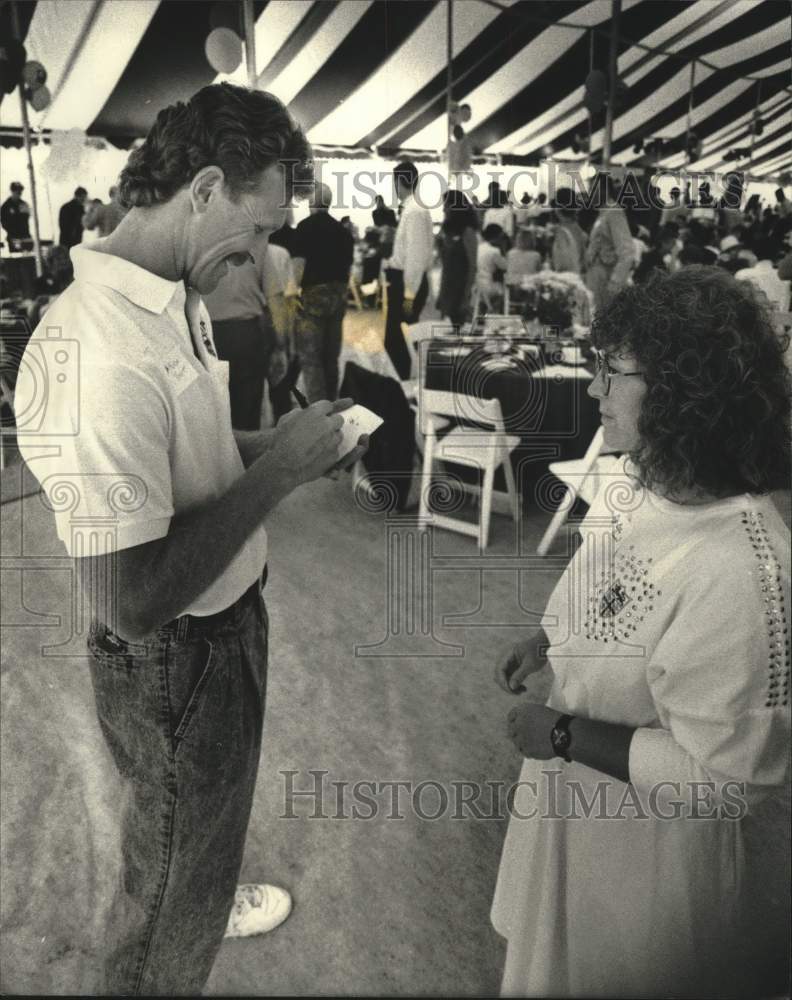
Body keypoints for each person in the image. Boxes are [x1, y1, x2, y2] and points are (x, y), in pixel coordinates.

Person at [14, 82, 368, 996]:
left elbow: (197, 452)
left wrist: (284, 447)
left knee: (188, 846)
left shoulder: (168, 292)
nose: (263, 255)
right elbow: (131, 604)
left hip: (218, 626)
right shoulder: (99, 351)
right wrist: (279, 472)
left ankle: (202, 875)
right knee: (165, 902)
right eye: (256, 231)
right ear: (205, 187)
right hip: (175, 654)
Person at [492, 265, 790, 998]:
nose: (594, 388)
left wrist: (563, 735)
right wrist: (547, 642)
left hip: (645, 843)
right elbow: (598, 575)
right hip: (572, 793)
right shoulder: (644, 473)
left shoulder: (740, 573)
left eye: (610, 371)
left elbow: (725, 780)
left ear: (686, 394)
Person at [202, 242, 294, 429]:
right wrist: (281, 345)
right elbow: (275, 300)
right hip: (246, 335)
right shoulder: (257, 247)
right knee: (247, 409)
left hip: (204, 335)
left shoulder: (199, 245)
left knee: (212, 412)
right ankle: (246, 455)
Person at [291, 181, 354, 402]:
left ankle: (319, 408)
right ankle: (334, 404)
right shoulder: (343, 232)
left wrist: (290, 297)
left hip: (313, 299)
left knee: (311, 359)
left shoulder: (305, 227)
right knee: (331, 357)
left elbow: (297, 269)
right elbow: (347, 269)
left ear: (311, 202)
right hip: (338, 299)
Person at [384, 160, 433, 378]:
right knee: (405, 337)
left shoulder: (414, 211)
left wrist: (409, 293)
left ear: (400, 182)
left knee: (395, 340)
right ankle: (417, 381)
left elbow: (415, 257)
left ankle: (408, 386)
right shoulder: (414, 209)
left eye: (394, 182)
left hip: (406, 282)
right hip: (404, 279)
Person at [584, 173, 634, 313]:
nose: (590, 195)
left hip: (606, 280)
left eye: (592, 190)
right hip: (597, 277)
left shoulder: (614, 212)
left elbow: (627, 251)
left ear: (604, 191)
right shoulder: (604, 212)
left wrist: (615, 282)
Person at [436, 189, 477, 326]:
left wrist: (466, 295)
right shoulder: (445, 231)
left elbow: (472, 266)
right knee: (445, 326)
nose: (443, 209)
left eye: (446, 205)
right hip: (447, 284)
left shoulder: (468, 232)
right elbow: (443, 261)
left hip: (460, 287)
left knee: (457, 326)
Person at [734, 237, 790, 311]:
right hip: (784, 321)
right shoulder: (787, 279)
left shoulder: (742, 274)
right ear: (777, 253)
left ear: (754, 253)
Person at [550, 188, 586, 274]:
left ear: (558, 209)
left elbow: (562, 266)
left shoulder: (562, 233)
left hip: (567, 280)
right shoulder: (579, 231)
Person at [476, 223, 508, 311]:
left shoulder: (479, 247)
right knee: (504, 290)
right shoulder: (494, 251)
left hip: (477, 285)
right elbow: (505, 267)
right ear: (497, 236)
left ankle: (485, 308)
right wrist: (504, 249)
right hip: (489, 286)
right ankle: (496, 312)